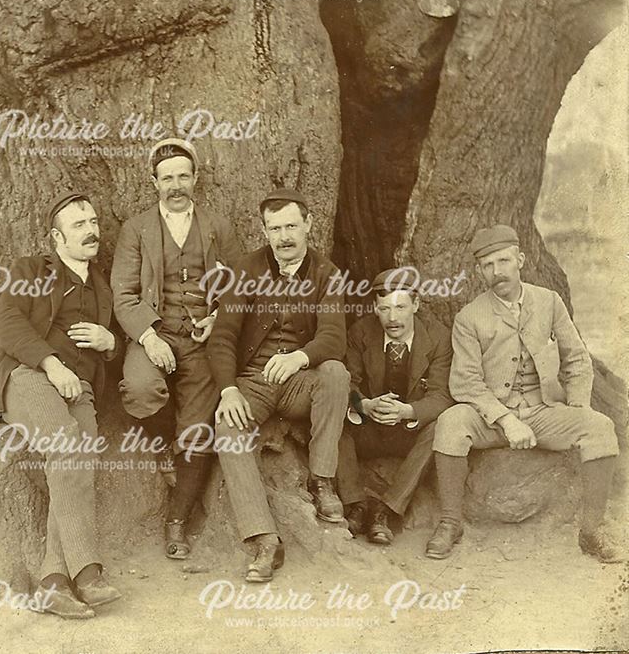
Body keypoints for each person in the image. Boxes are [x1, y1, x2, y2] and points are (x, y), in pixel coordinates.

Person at [426, 224, 622, 562]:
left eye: (503, 261)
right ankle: (449, 522)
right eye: (487, 265)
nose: (496, 271)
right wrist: (506, 421)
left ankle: (592, 530)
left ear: (520, 259)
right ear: (479, 271)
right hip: (492, 417)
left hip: (543, 411)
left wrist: (577, 408)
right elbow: (466, 382)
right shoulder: (469, 317)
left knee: (600, 427)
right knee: (451, 422)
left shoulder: (549, 302)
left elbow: (576, 359)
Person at [0, 192, 121, 620]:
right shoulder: (28, 270)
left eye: (93, 221)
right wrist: (51, 363)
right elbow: (4, 324)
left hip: (80, 388)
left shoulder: (103, 286)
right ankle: (88, 572)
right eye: (79, 225)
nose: (91, 230)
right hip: (26, 377)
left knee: (80, 454)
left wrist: (110, 342)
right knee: (66, 444)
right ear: (57, 238)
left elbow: (119, 346)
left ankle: (53, 581)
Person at [208, 188, 350, 583]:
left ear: (308, 225)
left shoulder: (327, 274)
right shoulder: (246, 270)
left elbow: (334, 338)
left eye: (291, 226)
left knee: (336, 373)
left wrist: (298, 357)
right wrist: (229, 390)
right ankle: (264, 538)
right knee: (229, 426)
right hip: (253, 380)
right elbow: (221, 338)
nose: (284, 236)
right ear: (265, 231)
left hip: (300, 380)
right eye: (275, 228)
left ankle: (322, 481)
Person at [111, 137, 243, 560]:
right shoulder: (136, 229)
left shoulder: (218, 226)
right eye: (167, 177)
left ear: (196, 179)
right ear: (154, 182)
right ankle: (162, 441)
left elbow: (240, 288)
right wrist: (149, 336)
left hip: (203, 341)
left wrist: (217, 319)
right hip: (155, 333)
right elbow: (123, 294)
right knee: (141, 387)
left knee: (198, 428)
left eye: (183, 176)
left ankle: (177, 521)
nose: (176, 185)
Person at [336, 267, 453, 545]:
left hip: (409, 433)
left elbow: (442, 395)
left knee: (441, 427)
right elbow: (347, 382)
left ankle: (386, 511)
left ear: (417, 304)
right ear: (375, 309)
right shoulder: (361, 332)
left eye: (401, 307)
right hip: (369, 429)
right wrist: (363, 405)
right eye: (384, 308)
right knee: (333, 418)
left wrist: (408, 411)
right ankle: (356, 505)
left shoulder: (438, 338)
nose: (393, 318)